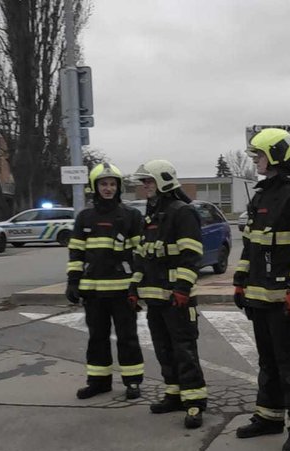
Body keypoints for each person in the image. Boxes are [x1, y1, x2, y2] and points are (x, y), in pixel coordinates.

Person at [233, 128, 290, 451]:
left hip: (287, 301)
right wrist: (240, 281)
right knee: (269, 361)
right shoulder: (261, 196)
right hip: (260, 299)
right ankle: (269, 417)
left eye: (258, 154)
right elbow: (251, 247)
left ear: (274, 156)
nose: (255, 159)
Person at [132, 160, 207, 429]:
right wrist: (134, 287)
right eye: (143, 183)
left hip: (178, 298)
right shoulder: (152, 215)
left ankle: (195, 402)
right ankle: (174, 394)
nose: (145, 187)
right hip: (156, 299)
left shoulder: (182, 213)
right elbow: (142, 256)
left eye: (148, 182)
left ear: (163, 181)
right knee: (164, 350)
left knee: (184, 350)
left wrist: (183, 289)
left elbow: (191, 255)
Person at [65, 163, 146, 400]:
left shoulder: (131, 215)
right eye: (103, 184)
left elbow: (140, 253)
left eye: (112, 184)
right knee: (96, 338)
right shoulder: (85, 217)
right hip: (93, 292)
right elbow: (76, 252)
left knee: (127, 338)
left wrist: (136, 285)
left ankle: (132, 382)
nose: (108, 188)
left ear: (118, 187)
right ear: (94, 186)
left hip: (123, 291)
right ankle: (99, 382)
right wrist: (73, 281)